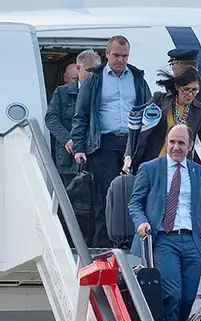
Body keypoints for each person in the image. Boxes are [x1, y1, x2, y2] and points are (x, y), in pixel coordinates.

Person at [128, 124, 201, 321]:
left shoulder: (198, 172)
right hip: (164, 239)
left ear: (190, 146)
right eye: (172, 142)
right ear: (167, 143)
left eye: (181, 143)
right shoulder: (151, 169)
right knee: (172, 295)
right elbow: (135, 202)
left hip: (191, 241)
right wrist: (141, 222)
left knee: (187, 300)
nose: (176, 147)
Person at [70, 35, 152, 248]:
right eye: (116, 55)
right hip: (103, 143)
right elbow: (81, 116)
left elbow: (150, 112)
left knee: (134, 192)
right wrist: (79, 147)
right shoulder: (94, 80)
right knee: (105, 195)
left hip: (132, 143)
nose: (120, 60)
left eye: (124, 56)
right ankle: (104, 245)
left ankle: (130, 243)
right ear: (106, 54)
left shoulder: (137, 79)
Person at [122, 67, 201, 175]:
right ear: (178, 87)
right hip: (152, 164)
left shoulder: (200, 111)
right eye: (186, 89)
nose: (190, 94)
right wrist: (128, 155)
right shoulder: (159, 100)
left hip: (178, 169)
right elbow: (138, 129)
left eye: (194, 90)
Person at [45, 50, 101, 186]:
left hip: (95, 157)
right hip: (68, 159)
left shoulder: (102, 93)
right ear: (78, 69)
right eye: (89, 70)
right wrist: (67, 139)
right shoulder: (62, 92)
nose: (92, 75)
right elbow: (51, 118)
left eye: (96, 71)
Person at [168, 48, 201, 118]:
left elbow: (192, 117)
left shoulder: (200, 85)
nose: (172, 68)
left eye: (172, 64)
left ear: (180, 64)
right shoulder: (197, 81)